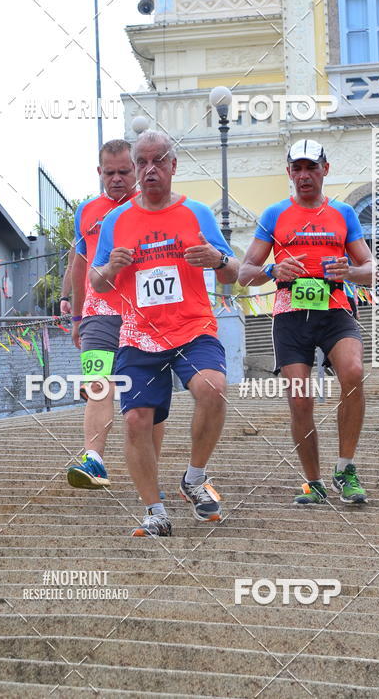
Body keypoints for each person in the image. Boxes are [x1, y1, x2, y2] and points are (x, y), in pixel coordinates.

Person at [89, 129, 239, 536]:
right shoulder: (117, 220)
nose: (149, 169)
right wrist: (112, 268)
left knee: (213, 387)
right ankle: (155, 511)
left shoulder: (197, 214)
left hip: (193, 328)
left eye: (158, 161)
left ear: (173, 165)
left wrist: (217, 258)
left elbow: (235, 273)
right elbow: (97, 283)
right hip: (139, 335)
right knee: (137, 419)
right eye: (142, 162)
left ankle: (193, 477)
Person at [238, 139, 373, 505]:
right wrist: (271, 268)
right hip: (290, 315)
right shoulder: (274, 214)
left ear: (324, 170)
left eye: (311, 167)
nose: (303, 175)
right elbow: (245, 274)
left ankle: (345, 468)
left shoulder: (343, 212)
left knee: (354, 372)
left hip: (335, 310)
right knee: (300, 399)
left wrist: (352, 270)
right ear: (289, 173)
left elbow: (372, 270)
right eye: (296, 168)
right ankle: (313, 482)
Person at [66, 139, 165, 490]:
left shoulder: (155, 207)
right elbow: (79, 266)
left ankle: (149, 474)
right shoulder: (87, 211)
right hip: (99, 311)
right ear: (99, 173)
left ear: (136, 170)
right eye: (110, 173)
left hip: (144, 313)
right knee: (98, 383)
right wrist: (77, 317)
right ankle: (93, 460)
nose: (118, 179)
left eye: (125, 171)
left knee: (146, 395)